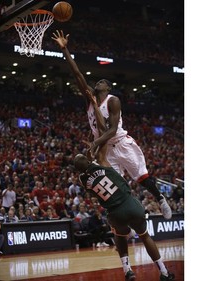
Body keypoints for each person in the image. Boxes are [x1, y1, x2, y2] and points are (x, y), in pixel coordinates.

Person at [51, 30, 172, 220]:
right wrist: (65, 49)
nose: (98, 83)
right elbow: (77, 73)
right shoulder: (90, 100)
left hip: (122, 143)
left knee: (142, 178)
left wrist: (95, 142)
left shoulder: (113, 100)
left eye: (102, 82)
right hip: (106, 149)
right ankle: (135, 210)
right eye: (97, 81)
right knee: (115, 184)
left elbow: (113, 129)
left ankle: (160, 198)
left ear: (107, 88)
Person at [72, 94, 174, 280]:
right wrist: (95, 109)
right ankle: (164, 273)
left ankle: (127, 271)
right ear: (89, 160)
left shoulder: (83, 181)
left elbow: (86, 167)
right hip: (130, 205)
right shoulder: (102, 161)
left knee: (120, 235)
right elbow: (103, 133)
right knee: (145, 236)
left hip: (114, 212)